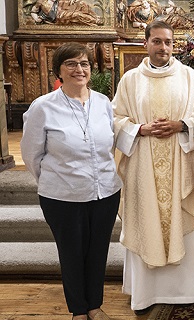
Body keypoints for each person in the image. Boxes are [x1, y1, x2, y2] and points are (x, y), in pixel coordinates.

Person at [112, 20, 194, 316]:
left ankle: (187, 289)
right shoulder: (130, 80)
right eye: (157, 41)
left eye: (168, 42)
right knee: (147, 217)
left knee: (181, 220)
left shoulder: (189, 77)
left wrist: (181, 125)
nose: (163, 48)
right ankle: (147, 292)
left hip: (181, 164)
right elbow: (115, 119)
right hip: (143, 164)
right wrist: (140, 129)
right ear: (146, 44)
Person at [20, 42, 122, 320]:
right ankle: (78, 310)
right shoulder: (43, 107)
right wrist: (57, 181)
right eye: (72, 64)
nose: (80, 69)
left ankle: (94, 306)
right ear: (59, 71)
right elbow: (31, 154)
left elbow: (111, 143)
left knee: (98, 251)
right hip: (62, 196)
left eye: (84, 63)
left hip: (105, 191)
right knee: (72, 253)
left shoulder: (103, 102)